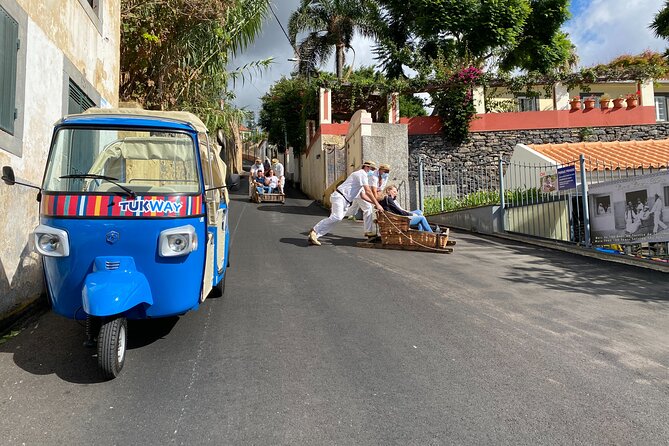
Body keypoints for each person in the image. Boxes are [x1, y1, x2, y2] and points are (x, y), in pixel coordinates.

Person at [308, 161, 383, 246]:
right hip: (340, 197)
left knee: (336, 220)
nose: (372, 171)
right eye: (372, 169)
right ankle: (314, 230)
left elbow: (363, 196)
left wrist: (375, 203)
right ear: (366, 167)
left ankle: (315, 236)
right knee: (337, 217)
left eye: (373, 170)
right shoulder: (361, 174)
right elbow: (368, 191)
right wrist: (377, 204)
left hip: (345, 201)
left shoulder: (361, 178)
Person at [345, 163, 391, 237]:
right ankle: (368, 231)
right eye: (385, 171)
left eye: (388, 172)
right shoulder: (374, 176)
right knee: (368, 208)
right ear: (380, 170)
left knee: (352, 211)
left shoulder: (385, 177)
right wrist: (377, 203)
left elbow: (380, 190)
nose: (386, 173)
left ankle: (337, 213)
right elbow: (373, 190)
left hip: (366, 193)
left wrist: (379, 201)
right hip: (362, 192)